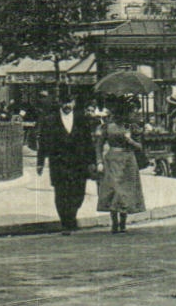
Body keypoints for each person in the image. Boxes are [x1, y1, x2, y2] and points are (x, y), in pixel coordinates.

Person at [37, 92, 94, 234]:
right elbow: (43, 142)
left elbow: (88, 141)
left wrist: (92, 161)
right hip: (58, 162)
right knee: (61, 193)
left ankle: (72, 215)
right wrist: (40, 162)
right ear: (60, 103)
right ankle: (66, 222)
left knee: (78, 193)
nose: (67, 105)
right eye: (64, 102)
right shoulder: (50, 120)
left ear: (74, 103)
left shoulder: (82, 119)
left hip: (79, 162)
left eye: (70, 102)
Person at [94, 99, 146, 233]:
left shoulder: (132, 127)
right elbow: (99, 145)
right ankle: (114, 222)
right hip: (112, 160)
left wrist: (130, 140)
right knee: (114, 190)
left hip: (128, 161)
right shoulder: (107, 126)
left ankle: (122, 222)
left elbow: (140, 147)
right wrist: (99, 161)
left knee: (125, 192)